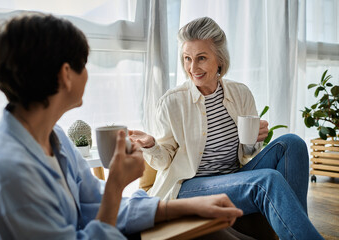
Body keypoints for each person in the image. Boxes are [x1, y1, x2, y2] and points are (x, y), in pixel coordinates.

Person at [0, 13, 245, 239]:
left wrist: (184, 207)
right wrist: (117, 183)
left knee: (211, 230)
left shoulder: (53, 137)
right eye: (83, 64)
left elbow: (96, 204)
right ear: (65, 75)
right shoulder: (8, 174)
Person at [129, 17, 324, 239]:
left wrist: (253, 141)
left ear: (219, 60)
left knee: (293, 143)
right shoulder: (172, 102)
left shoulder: (240, 94)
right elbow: (164, 162)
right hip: (188, 187)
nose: (193, 68)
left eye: (201, 58)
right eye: (187, 59)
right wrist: (152, 145)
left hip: (234, 176)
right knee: (267, 180)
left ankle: (297, 230)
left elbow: (248, 155)